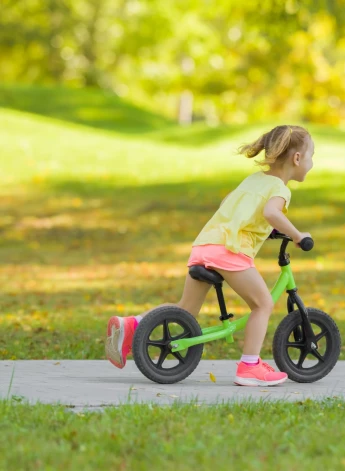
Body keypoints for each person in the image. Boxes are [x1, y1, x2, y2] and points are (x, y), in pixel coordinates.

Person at [105, 125, 314, 386]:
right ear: (297, 159)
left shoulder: (253, 180)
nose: (311, 163)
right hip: (230, 250)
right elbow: (272, 213)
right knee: (262, 304)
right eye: (311, 157)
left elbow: (230, 204)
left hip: (205, 245)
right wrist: (296, 235)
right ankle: (250, 366)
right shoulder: (281, 189)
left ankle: (133, 325)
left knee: (185, 309)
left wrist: (265, 229)